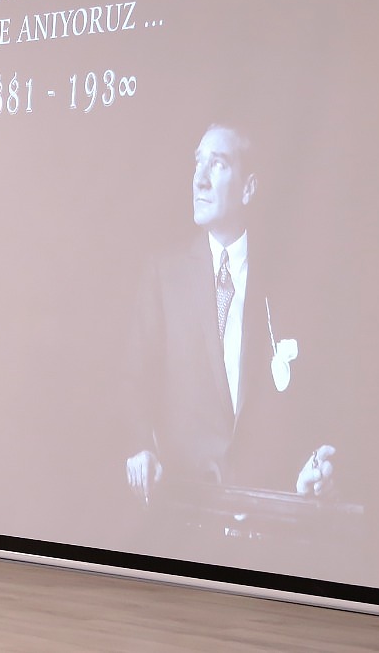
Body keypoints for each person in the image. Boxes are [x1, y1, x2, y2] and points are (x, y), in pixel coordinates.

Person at [124, 122, 335, 503]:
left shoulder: (286, 285)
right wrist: (142, 448)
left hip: (266, 511)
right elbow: (137, 380)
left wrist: (305, 474)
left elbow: (307, 405)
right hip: (186, 511)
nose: (199, 179)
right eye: (197, 163)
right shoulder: (163, 276)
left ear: (248, 188)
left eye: (217, 164)